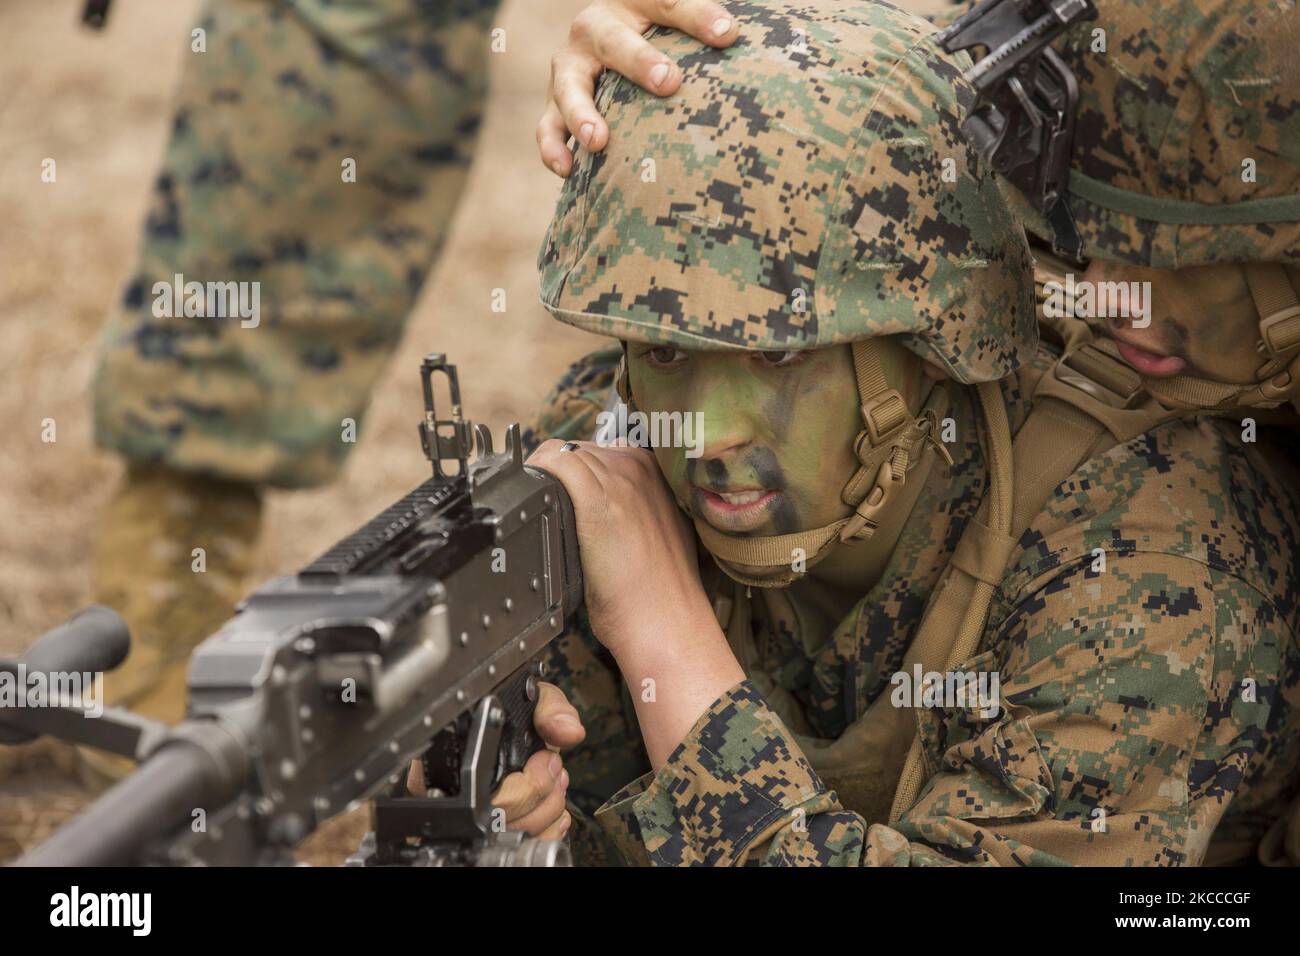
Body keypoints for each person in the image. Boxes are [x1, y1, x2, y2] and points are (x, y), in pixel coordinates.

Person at [520, 0, 1300, 866]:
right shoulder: (615, 449)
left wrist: (660, 628)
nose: (702, 434)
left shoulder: (1149, 563)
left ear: (937, 346)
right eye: (666, 350)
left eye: (780, 359)